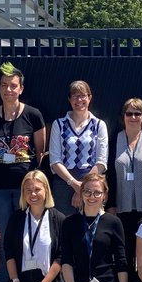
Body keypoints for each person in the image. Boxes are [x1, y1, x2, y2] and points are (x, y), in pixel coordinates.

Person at [0, 63, 46, 268]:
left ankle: (27, 274)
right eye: (4, 85)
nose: (8, 90)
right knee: (1, 235)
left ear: (21, 89)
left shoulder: (33, 115)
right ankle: (4, 281)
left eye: (13, 85)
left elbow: (40, 152)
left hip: (25, 188)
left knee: (26, 231)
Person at [60, 173, 129, 282]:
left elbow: (121, 262)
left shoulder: (113, 222)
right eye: (88, 192)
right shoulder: (70, 223)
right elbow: (66, 260)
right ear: (81, 193)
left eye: (97, 192)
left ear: (104, 195)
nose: (92, 196)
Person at [1, 170, 72, 282]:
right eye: (28, 190)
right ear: (23, 193)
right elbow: (9, 252)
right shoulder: (16, 218)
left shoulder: (59, 219)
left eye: (37, 190)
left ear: (46, 190)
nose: (33, 194)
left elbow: (60, 258)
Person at [106, 97, 142, 282]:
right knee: (125, 250)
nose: (133, 117)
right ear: (123, 117)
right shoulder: (115, 140)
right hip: (122, 207)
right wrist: (110, 204)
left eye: (138, 113)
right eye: (129, 113)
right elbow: (109, 175)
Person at [48, 80, 109, 217]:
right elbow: (55, 160)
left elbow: (101, 162)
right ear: (69, 99)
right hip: (63, 184)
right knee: (64, 229)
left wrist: (83, 188)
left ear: (89, 98)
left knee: (90, 226)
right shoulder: (59, 124)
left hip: (92, 186)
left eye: (83, 96)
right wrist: (74, 184)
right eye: (75, 96)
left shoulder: (99, 125)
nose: (79, 100)